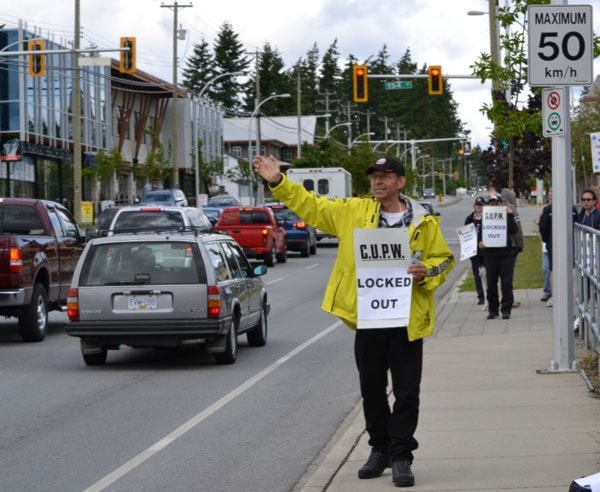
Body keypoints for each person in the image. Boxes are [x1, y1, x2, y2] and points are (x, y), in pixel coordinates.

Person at [252, 155, 455, 488]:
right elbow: (312, 206)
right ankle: (380, 449)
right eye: (374, 176)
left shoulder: (423, 221)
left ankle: (402, 455)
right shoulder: (353, 212)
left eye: (385, 176)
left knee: (407, 392)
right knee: (371, 388)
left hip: (407, 319)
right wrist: (279, 182)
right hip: (370, 316)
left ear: (401, 182)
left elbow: (443, 260)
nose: (377, 182)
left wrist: (426, 272)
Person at [480, 194, 518, 320]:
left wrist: (510, 214)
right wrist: (480, 243)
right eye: (492, 204)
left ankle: (506, 310)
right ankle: (493, 310)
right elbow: (480, 234)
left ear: (501, 204)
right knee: (491, 284)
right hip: (490, 255)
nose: (494, 205)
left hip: (505, 254)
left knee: (506, 283)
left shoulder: (507, 216)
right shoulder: (485, 217)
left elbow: (514, 230)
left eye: (496, 203)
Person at [501, 188, 524, 309]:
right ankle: (509, 300)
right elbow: (517, 229)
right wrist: (520, 244)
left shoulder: (497, 208)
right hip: (512, 245)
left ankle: (503, 298)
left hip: (499, 247)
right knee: (509, 275)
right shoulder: (512, 209)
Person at [464, 196, 486, 305]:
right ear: (474, 206)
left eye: (481, 205)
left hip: (486, 251)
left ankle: (489, 294)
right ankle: (481, 296)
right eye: (477, 205)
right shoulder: (470, 218)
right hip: (474, 252)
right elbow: (466, 233)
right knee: (477, 274)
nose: (479, 207)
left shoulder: (488, 217)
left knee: (487, 274)